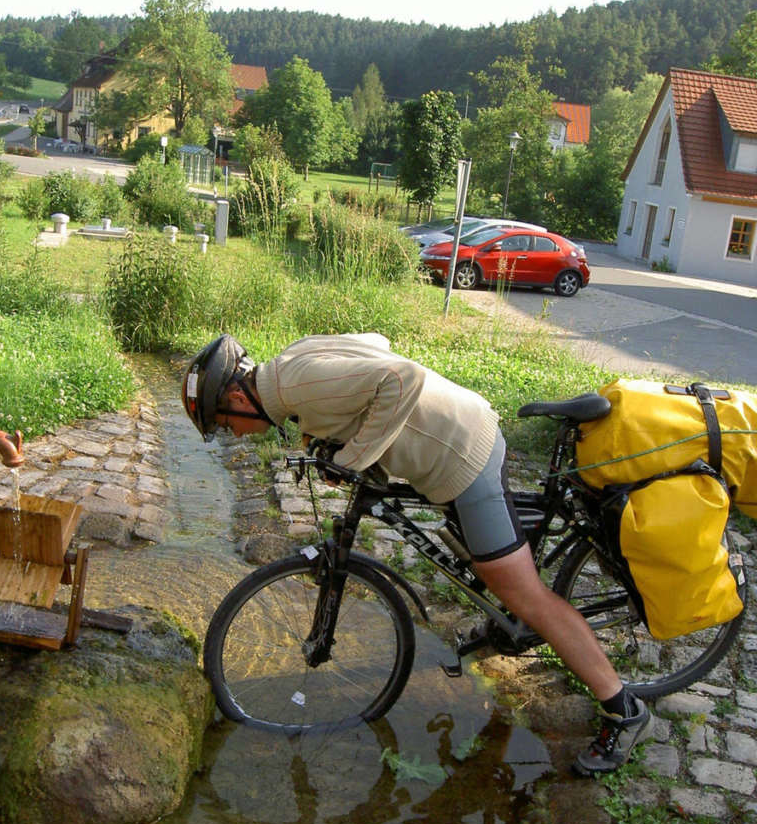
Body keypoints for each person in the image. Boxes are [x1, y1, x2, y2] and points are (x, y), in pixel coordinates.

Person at [182, 331, 654, 776]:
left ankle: (623, 709)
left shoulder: (299, 385)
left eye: (226, 423)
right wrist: (340, 437)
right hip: (451, 444)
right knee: (482, 563)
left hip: (465, 454)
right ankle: (506, 614)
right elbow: (374, 344)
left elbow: (402, 376)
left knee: (526, 594)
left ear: (240, 398)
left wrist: (351, 459)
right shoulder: (289, 369)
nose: (235, 434)